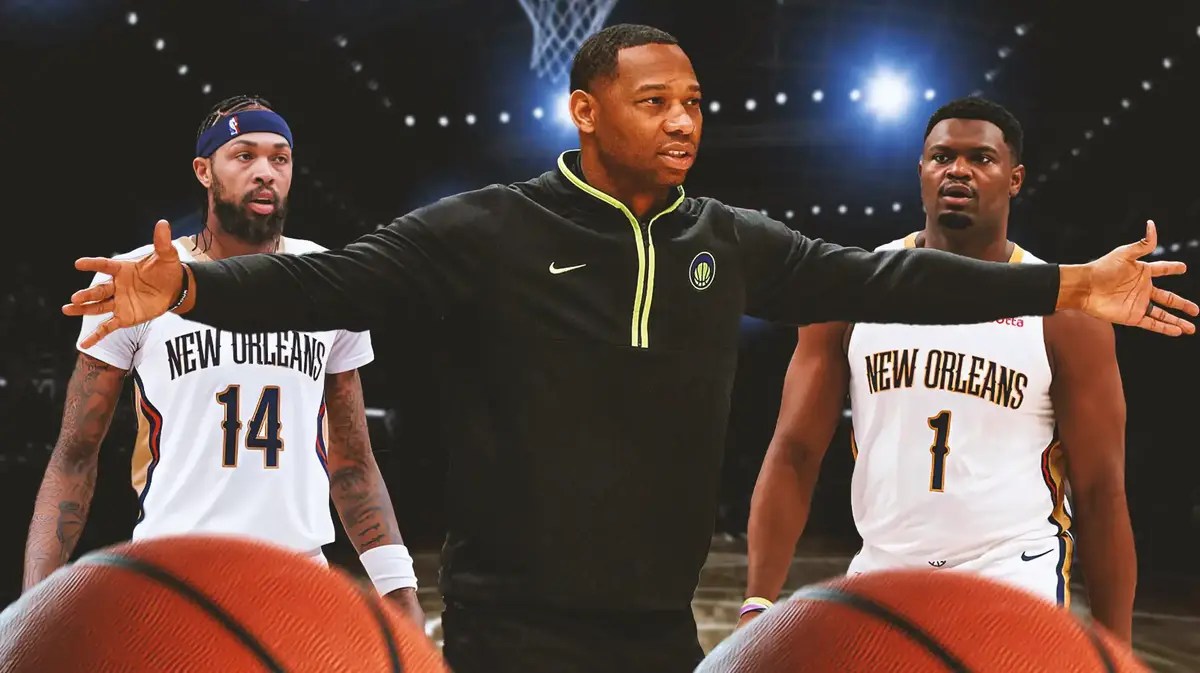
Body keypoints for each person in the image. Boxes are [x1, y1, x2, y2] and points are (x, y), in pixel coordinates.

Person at [61, 26, 1193, 673]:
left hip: (655, 628)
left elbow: (878, 274)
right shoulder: (487, 228)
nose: (685, 119)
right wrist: (194, 285)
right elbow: (335, 277)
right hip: (513, 622)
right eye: (655, 100)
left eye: (695, 100)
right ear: (586, 109)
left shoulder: (732, 240)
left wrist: (1068, 282)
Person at [738, 97, 1138, 642]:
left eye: (981, 158)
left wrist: (1115, 649)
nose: (959, 170)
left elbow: (1100, 493)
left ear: (1014, 178)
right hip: (881, 584)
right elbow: (794, 452)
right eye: (942, 156)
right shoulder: (848, 294)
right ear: (920, 171)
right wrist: (758, 603)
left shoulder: (1068, 316)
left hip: (1013, 583)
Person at [27, 94, 424, 626]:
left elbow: (353, 463)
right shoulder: (136, 280)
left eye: (280, 158)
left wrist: (400, 596)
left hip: (300, 583)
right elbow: (74, 457)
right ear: (204, 171)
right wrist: (32, 608)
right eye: (244, 156)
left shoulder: (330, 279)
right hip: (176, 581)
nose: (266, 172)